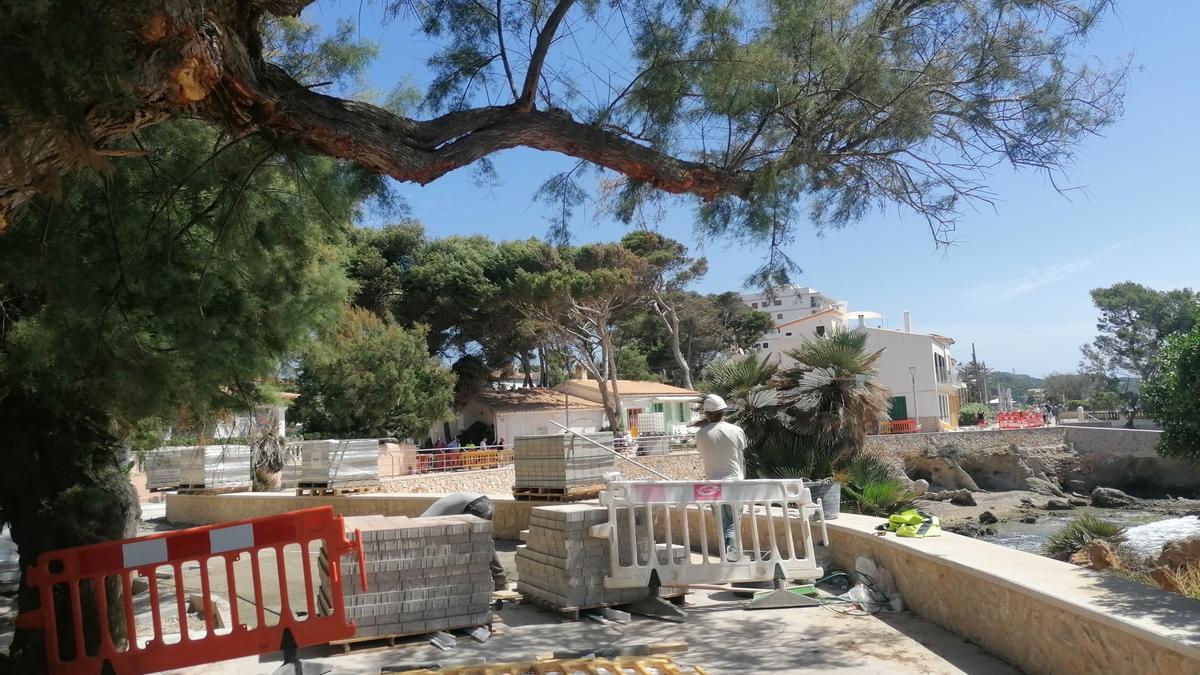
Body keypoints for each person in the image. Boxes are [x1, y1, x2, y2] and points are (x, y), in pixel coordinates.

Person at [694, 394, 747, 561]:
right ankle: (732, 558)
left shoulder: (701, 434)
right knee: (732, 523)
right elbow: (742, 449)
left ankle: (728, 557)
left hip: (712, 486)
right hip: (734, 484)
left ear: (707, 414)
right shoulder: (736, 430)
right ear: (723, 412)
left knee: (722, 523)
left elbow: (702, 453)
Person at [421, 492, 508, 591]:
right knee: (467, 543)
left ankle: (500, 581)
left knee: (481, 542)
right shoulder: (426, 520)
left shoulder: (424, 524)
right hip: (482, 502)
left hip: (475, 506)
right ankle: (488, 580)